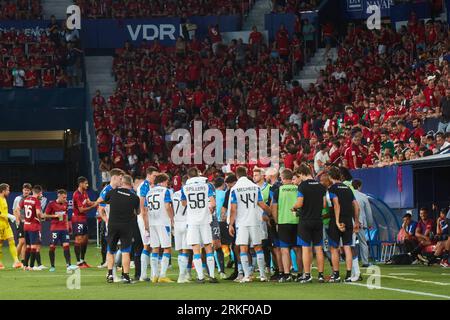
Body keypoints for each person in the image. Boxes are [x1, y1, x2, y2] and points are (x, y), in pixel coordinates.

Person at [229, 166, 271, 283]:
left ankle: (247, 275)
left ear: (236, 175)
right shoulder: (255, 187)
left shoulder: (235, 188)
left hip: (241, 223)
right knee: (258, 247)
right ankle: (262, 275)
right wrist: (270, 212)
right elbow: (262, 204)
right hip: (254, 221)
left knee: (243, 248)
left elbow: (233, 209)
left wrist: (231, 224)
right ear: (247, 173)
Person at [181, 167, 218, 283]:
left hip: (192, 221)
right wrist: (210, 209)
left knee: (196, 249)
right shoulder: (207, 186)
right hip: (205, 220)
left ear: (188, 176)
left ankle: (200, 277)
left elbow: (183, 203)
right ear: (198, 174)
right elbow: (213, 203)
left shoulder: (185, 188)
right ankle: (211, 276)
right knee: (208, 247)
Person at [293, 164, 326, 283]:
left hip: (305, 220)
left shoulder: (302, 186)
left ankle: (307, 275)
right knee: (318, 248)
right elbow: (324, 205)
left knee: (306, 249)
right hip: (318, 220)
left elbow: (299, 203)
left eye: (298, 175)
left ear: (302, 173)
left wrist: (293, 207)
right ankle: (321, 275)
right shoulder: (321, 186)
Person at [105, 175, 140, 284]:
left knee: (110, 250)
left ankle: (110, 274)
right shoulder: (134, 197)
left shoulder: (112, 192)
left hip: (113, 224)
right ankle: (125, 276)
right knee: (126, 251)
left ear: (122, 182)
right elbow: (137, 212)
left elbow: (106, 201)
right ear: (131, 184)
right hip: (126, 225)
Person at [327, 167, 360, 283]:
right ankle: (348, 275)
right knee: (347, 247)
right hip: (348, 220)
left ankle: (336, 275)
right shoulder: (347, 188)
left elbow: (336, 205)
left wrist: (336, 221)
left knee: (334, 248)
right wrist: (356, 221)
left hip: (336, 221)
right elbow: (356, 206)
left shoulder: (332, 189)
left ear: (330, 177)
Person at [271, 168, 302, 282]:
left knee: (285, 250)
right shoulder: (298, 188)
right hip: (297, 222)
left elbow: (274, 208)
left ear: (282, 178)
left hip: (283, 222)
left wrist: (276, 222)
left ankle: (287, 274)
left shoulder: (278, 191)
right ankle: (300, 273)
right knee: (298, 249)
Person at [145, 173, 174, 283]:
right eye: (167, 182)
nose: (167, 184)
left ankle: (154, 276)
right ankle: (162, 275)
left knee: (155, 248)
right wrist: (172, 219)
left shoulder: (149, 192)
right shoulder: (165, 191)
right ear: (162, 182)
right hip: (163, 222)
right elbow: (167, 206)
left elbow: (146, 209)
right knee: (167, 248)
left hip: (153, 222)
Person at [44, 189, 78, 272]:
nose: (65, 199)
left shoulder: (66, 204)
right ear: (59, 196)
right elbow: (45, 215)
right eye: (64, 197)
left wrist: (68, 226)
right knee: (52, 247)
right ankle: (52, 266)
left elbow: (65, 216)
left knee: (66, 246)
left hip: (63, 229)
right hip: (55, 228)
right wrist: (55, 216)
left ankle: (68, 265)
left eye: (66, 197)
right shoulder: (51, 204)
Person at [137, 166, 158, 281]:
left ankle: (147, 275)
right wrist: (146, 225)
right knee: (148, 245)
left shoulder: (149, 186)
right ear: (148, 175)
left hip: (148, 218)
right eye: (154, 176)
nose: (156, 178)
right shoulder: (144, 186)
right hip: (145, 219)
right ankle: (145, 275)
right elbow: (142, 207)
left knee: (150, 246)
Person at [72, 177, 98, 268]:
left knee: (85, 240)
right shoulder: (77, 194)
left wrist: (98, 202)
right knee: (79, 239)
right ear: (80, 184)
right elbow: (81, 209)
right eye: (85, 183)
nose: (87, 185)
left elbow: (89, 202)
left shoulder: (85, 193)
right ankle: (78, 262)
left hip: (83, 219)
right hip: (77, 219)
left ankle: (82, 260)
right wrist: (93, 206)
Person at [16, 185, 44, 270]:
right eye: (41, 193)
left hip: (26, 225)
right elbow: (38, 213)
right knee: (33, 247)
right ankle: (31, 266)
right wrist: (40, 218)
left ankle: (25, 266)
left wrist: (22, 218)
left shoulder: (26, 199)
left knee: (27, 246)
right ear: (39, 193)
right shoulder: (36, 201)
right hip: (34, 226)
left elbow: (17, 209)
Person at [0, 183, 22, 270]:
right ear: (3, 190)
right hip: (0, 224)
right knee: (0, 244)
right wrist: (10, 216)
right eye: (8, 190)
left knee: (12, 241)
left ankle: (16, 261)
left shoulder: (4, 199)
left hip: (6, 224)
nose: (9, 192)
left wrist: (9, 217)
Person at [352, 179, 373, 268]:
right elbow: (368, 212)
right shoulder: (363, 196)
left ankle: (351, 261)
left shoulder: (349, 194)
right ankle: (365, 262)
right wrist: (369, 223)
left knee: (350, 243)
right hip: (360, 223)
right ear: (359, 186)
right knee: (363, 242)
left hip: (350, 222)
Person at [173, 175, 190, 283]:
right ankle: (182, 276)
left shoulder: (174, 194)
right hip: (186, 222)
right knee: (185, 250)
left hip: (176, 222)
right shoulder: (188, 193)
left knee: (180, 250)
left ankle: (183, 274)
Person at [12, 183, 32, 266]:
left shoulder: (31, 199)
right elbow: (14, 210)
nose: (26, 191)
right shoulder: (18, 198)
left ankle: (23, 260)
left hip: (28, 223)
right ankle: (15, 261)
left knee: (25, 242)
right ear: (22, 190)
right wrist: (17, 221)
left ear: (30, 191)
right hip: (20, 222)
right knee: (21, 241)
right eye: (25, 190)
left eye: (28, 190)